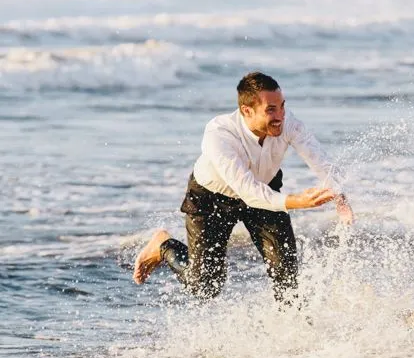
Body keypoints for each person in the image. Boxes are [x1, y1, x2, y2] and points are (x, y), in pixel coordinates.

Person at [133, 72, 354, 301]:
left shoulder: (288, 123)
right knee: (204, 286)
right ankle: (163, 244)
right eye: (271, 110)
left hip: (265, 192)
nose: (280, 115)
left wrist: (339, 197)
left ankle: (294, 332)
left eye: (282, 106)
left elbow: (320, 159)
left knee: (287, 279)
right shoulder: (219, 134)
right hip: (212, 199)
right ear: (247, 110)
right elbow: (247, 190)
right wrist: (298, 201)